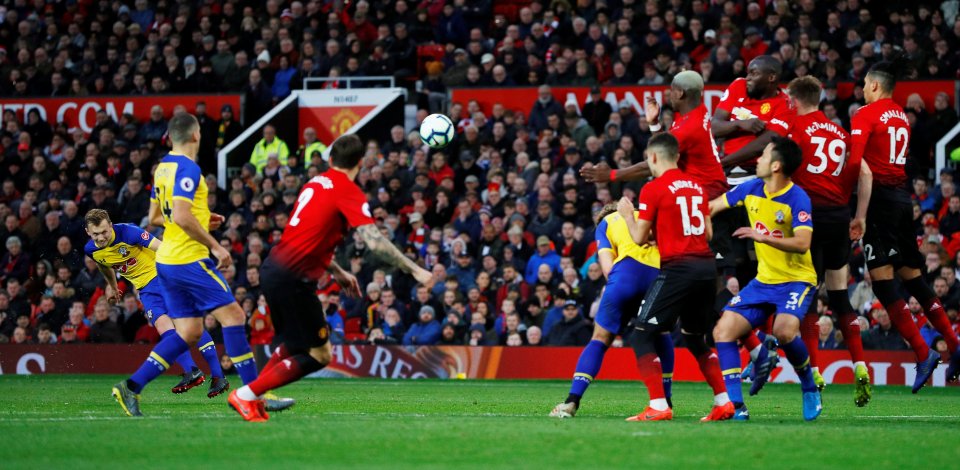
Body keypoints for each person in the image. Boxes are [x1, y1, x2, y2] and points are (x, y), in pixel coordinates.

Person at [228, 134, 433, 422]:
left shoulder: (316, 182)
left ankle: (255, 395)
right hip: (293, 278)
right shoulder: (346, 190)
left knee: (295, 344)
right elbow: (374, 242)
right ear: (359, 163)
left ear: (330, 159)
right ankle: (247, 395)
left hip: (274, 268)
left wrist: (337, 270)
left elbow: (309, 236)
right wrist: (414, 268)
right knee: (320, 355)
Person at [111, 113, 269, 417]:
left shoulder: (162, 169)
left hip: (166, 260)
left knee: (189, 333)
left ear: (170, 136)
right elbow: (181, 217)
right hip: (187, 258)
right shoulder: (188, 168)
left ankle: (131, 386)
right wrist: (216, 244)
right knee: (234, 315)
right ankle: (252, 395)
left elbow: (157, 218)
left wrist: (204, 218)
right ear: (196, 135)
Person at [848, 57, 960, 389]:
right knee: (913, 280)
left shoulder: (865, 114)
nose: (863, 90)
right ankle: (954, 346)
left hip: (880, 202)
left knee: (883, 284)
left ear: (875, 85)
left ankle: (924, 352)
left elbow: (856, 161)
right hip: (902, 198)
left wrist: (849, 203)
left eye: (866, 84)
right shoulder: (900, 115)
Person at [616, 132, 732, 422]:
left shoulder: (653, 189)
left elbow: (640, 238)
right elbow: (706, 233)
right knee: (695, 339)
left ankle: (658, 405)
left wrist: (628, 215)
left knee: (641, 335)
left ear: (653, 157)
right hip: (706, 270)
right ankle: (723, 401)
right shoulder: (696, 185)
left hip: (679, 269)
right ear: (677, 157)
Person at [708, 137, 822, 421]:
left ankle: (809, 387)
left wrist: (762, 236)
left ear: (776, 165)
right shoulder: (750, 188)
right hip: (764, 281)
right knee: (722, 331)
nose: (756, 160)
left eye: (763, 156)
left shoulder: (798, 198)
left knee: (784, 332)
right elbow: (711, 207)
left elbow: (803, 243)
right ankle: (737, 406)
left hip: (796, 279)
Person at [785, 76, 871, 406]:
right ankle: (860, 365)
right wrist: (859, 215)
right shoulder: (840, 133)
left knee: (807, 298)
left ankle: (815, 372)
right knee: (839, 298)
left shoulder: (795, 128)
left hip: (809, 218)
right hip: (839, 217)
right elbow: (865, 174)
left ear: (794, 101)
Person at [85, 209, 226, 396]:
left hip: (163, 277)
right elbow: (103, 264)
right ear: (88, 232)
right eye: (96, 234)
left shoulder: (129, 232)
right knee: (166, 327)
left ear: (110, 225)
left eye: (104, 231)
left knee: (184, 324)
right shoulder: (91, 249)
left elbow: (162, 248)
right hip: (145, 289)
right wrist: (111, 285)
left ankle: (213, 374)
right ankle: (196, 372)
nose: (101, 237)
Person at [549, 201, 661, 419]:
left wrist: (619, 293)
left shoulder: (605, 223)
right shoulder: (647, 217)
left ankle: (572, 401)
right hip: (658, 276)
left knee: (600, 339)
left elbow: (608, 267)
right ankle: (663, 403)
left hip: (625, 277)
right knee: (660, 334)